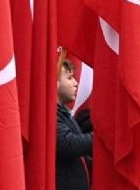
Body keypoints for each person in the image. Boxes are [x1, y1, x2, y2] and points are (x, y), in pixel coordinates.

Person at [56, 60, 93, 190]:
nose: (76, 83)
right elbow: (69, 144)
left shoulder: (63, 113)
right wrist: (101, 136)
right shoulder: (49, 114)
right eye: (69, 78)